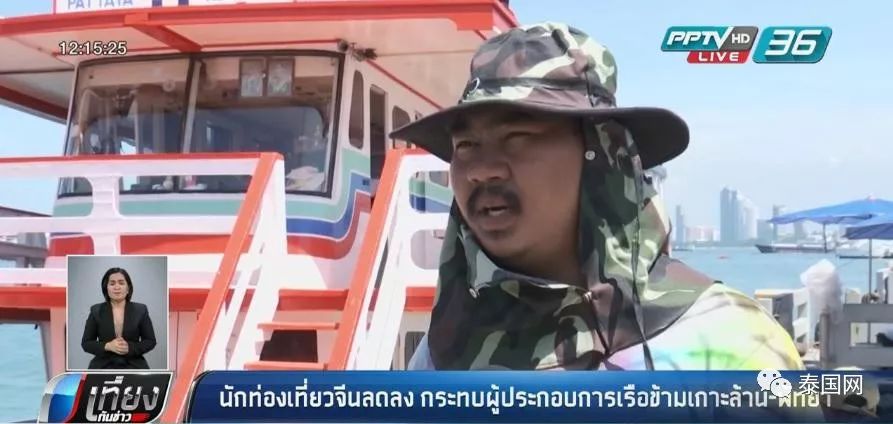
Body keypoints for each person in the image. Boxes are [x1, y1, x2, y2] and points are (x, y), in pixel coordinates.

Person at [390, 22, 805, 372]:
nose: (481, 169)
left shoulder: (732, 345)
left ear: (603, 157)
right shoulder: (444, 350)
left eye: (517, 136)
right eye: (465, 146)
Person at [81, 267, 157, 369]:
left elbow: (150, 341)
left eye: (121, 283)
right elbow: (86, 343)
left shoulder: (141, 310)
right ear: (106, 288)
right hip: (103, 366)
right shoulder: (96, 310)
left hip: (134, 365)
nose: (117, 287)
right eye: (112, 284)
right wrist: (108, 346)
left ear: (128, 288)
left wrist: (130, 347)